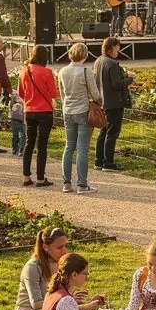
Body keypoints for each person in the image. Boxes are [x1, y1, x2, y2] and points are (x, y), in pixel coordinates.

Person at [58, 42, 101, 195]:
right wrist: (99, 101)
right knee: (82, 148)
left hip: (67, 111)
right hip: (83, 110)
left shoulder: (62, 71)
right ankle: (82, 184)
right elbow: (95, 94)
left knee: (69, 146)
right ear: (85, 55)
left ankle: (66, 183)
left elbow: (62, 94)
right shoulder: (85, 71)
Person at [13, 226, 69, 310]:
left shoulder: (61, 263)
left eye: (65, 246)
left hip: (52, 309)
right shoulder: (32, 267)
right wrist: (64, 303)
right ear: (45, 247)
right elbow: (36, 303)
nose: (64, 251)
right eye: (59, 247)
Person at [18, 45, 58, 188]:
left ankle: (26, 176)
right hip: (44, 110)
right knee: (42, 145)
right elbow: (53, 93)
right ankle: (41, 178)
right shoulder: (47, 72)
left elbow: (21, 92)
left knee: (29, 143)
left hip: (29, 110)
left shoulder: (24, 71)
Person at [93, 36, 133, 172]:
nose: (119, 50)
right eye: (117, 47)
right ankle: (108, 162)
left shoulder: (99, 61)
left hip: (103, 101)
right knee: (112, 132)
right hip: (114, 102)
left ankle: (99, 160)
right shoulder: (112, 63)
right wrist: (129, 79)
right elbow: (116, 84)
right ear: (112, 48)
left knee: (104, 131)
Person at [10, 86, 25, 156]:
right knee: (22, 134)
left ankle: (14, 149)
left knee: (15, 133)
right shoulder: (27, 91)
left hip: (15, 115)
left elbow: (11, 104)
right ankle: (21, 150)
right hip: (24, 115)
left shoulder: (14, 92)